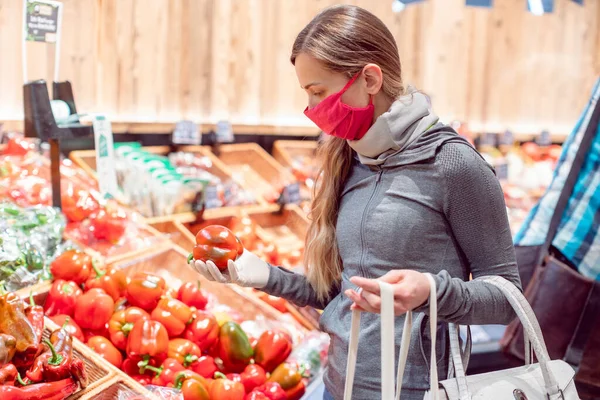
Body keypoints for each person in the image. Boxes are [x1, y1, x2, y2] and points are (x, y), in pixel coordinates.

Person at [191, 5, 521, 400]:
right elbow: (344, 293)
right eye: (307, 94)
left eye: (319, 92)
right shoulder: (350, 158)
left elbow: (506, 298)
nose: (312, 110)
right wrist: (260, 274)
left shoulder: (453, 164)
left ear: (370, 78)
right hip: (339, 386)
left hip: (421, 392)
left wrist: (432, 290)